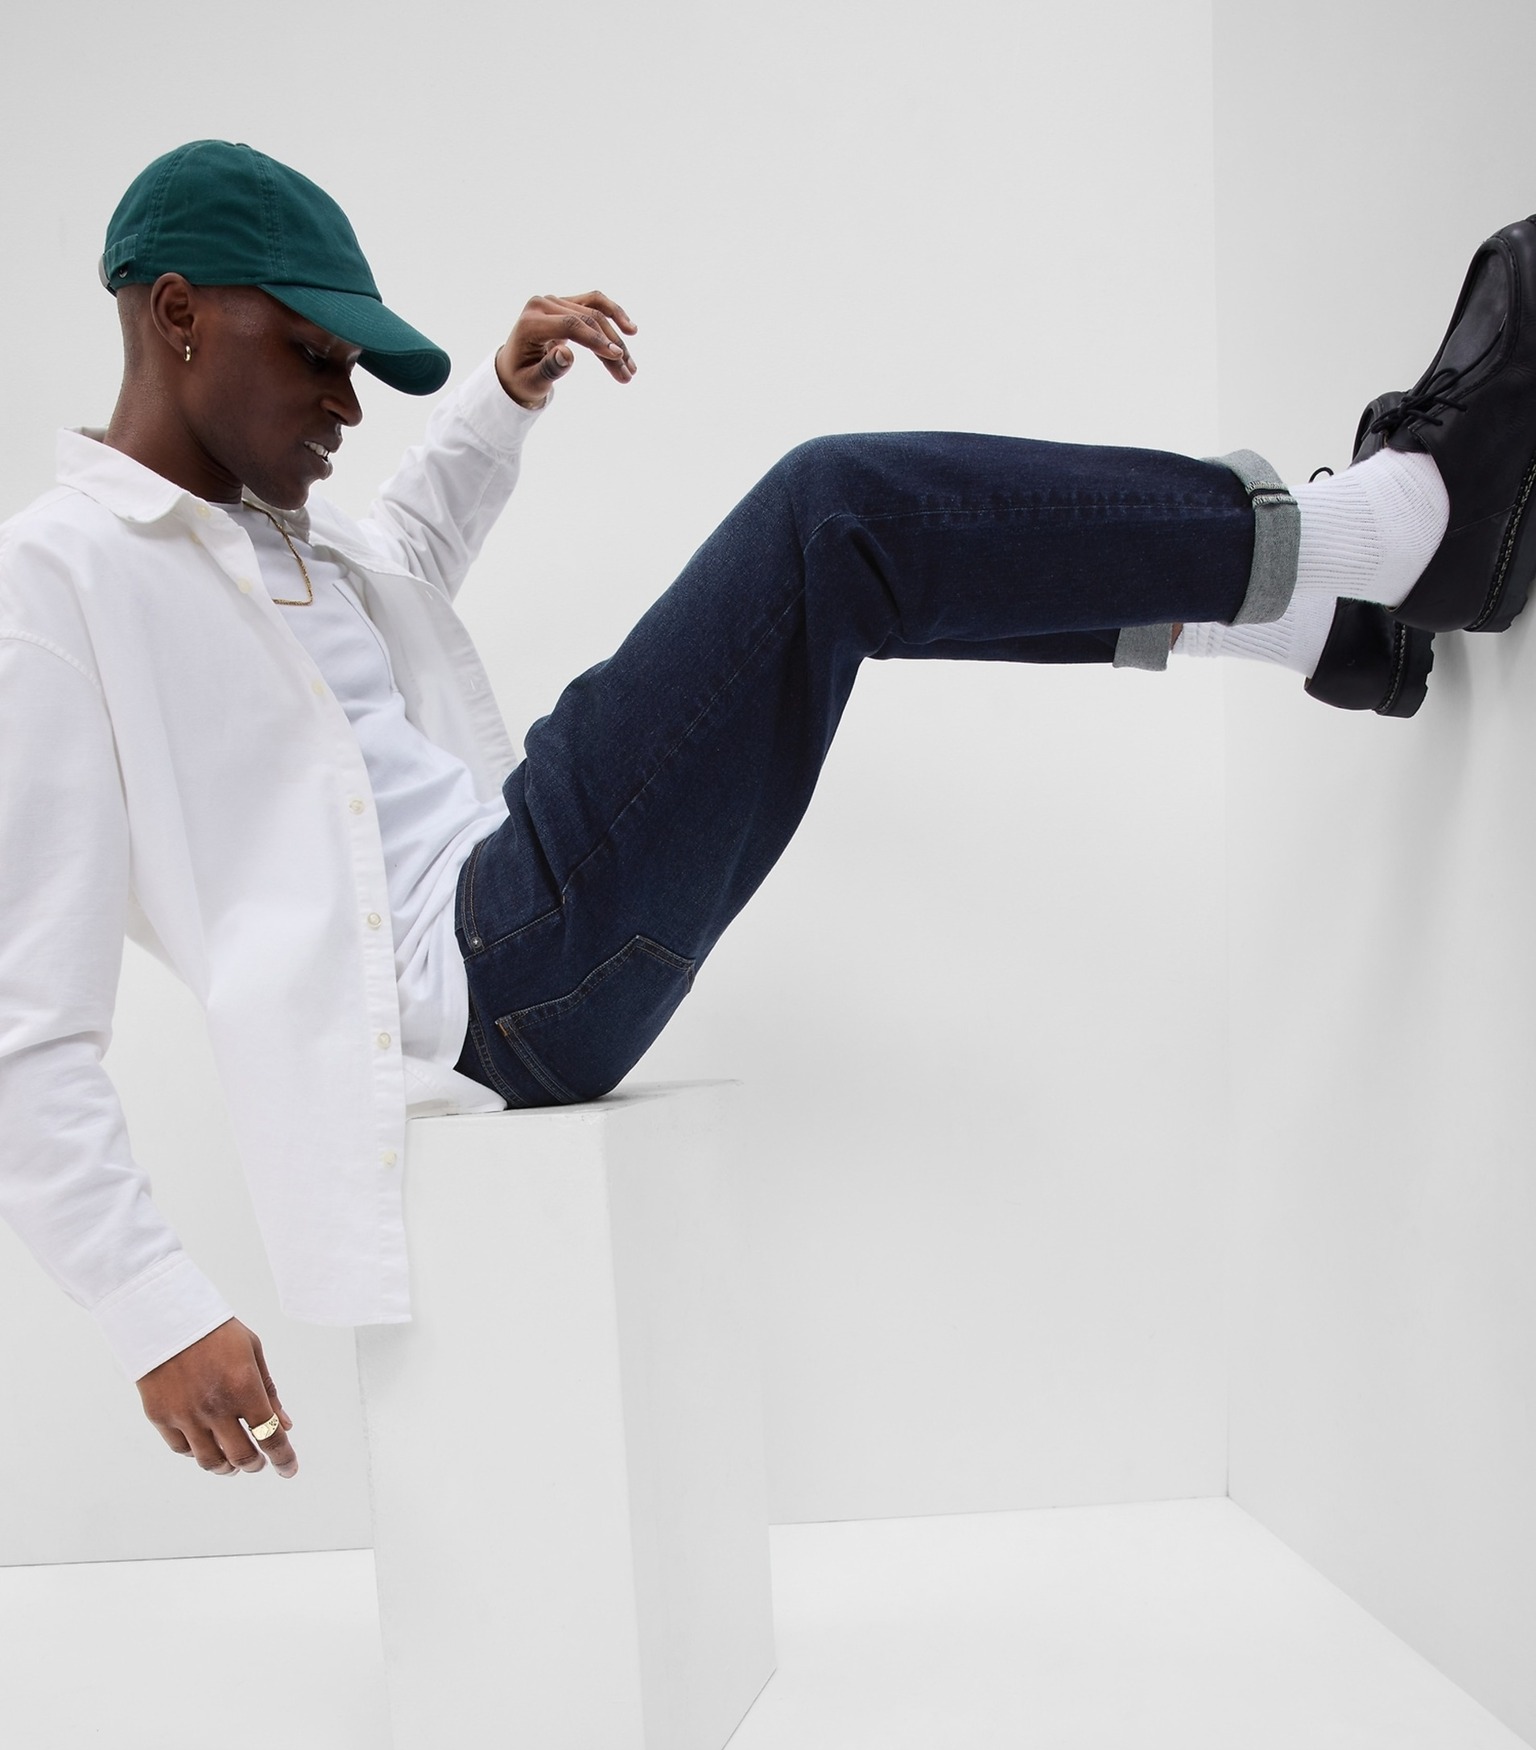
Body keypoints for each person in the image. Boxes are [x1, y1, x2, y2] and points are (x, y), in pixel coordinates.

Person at [2, 141, 1530, 1483]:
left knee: (855, 582)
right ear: (180, 314)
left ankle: (1328, 625)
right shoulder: (58, 583)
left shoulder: (278, 532)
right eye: (318, 356)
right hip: (487, 971)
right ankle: (1400, 529)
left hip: (519, 925)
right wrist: (153, 1307)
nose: (344, 401)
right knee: (832, 517)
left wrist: (501, 399)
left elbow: (398, 561)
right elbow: (27, 1024)